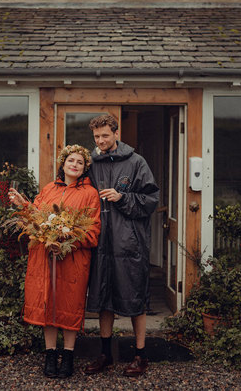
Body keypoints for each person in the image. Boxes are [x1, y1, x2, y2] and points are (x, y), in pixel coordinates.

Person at [9, 144, 101, 379]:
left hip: (72, 258)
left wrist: (67, 238)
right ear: (63, 163)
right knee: (48, 303)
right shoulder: (49, 188)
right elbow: (37, 216)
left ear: (85, 168)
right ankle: (50, 356)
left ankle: (68, 356)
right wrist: (23, 204)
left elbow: (93, 231)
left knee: (70, 305)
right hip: (45, 257)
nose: (75, 165)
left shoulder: (90, 194)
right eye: (71, 160)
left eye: (80, 162)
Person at [84, 114, 159, 378]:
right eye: (96, 137)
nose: (101, 141)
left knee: (135, 298)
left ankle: (141, 355)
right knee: (104, 298)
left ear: (116, 133)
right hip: (100, 243)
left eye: (105, 135)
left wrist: (122, 197)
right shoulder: (91, 164)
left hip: (129, 244)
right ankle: (105, 354)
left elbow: (151, 200)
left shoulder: (137, 162)